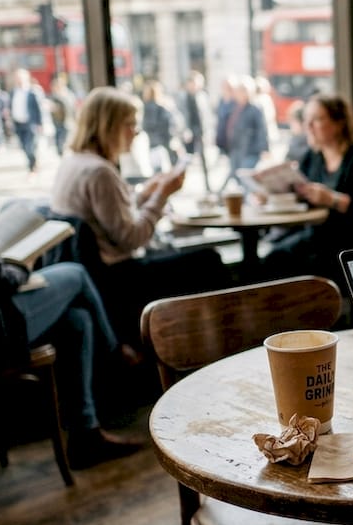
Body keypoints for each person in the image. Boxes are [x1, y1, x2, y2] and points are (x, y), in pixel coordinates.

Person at [0, 93, 141, 468]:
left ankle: (85, 434)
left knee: (78, 321)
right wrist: (19, 265)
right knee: (75, 274)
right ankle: (116, 353)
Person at [50, 87, 229, 343]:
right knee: (208, 261)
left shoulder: (74, 163)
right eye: (130, 124)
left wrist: (146, 194)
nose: (136, 131)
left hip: (98, 274)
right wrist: (162, 196)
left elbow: (109, 218)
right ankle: (208, 344)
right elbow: (132, 237)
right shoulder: (100, 172)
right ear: (108, 126)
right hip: (120, 277)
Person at [262, 93, 353, 286]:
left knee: (280, 261)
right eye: (306, 120)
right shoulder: (313, 157)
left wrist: (332, 199)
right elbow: (298, 192)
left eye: (317, 119)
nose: (308, 126)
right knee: (275, 256)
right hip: (321, 236)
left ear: (339, 123)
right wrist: (270, 194)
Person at [216, 76, 269, 192]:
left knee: (245, 177)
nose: (237, 94)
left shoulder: (255, 108)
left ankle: (245, 201)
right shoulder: (235, 106)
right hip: (235, 149)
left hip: (249, 150)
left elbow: (262, 129)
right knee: (236, 176)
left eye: (240, 91)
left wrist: (264, 149)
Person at [177, 70, 211, 191]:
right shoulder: (182, 97)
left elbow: (207, 116)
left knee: (204, 160)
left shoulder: (202, 96)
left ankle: (208, 185)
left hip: (200, 132)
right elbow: (180, 115)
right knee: (186, 159)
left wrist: (207, 133)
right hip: (188, 132)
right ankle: (182, 185)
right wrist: (184, 130)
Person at [9, 68, 44, 174]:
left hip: (30, 124)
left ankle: (32, 167)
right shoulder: (13, 92)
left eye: (20, 77)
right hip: (18, 124)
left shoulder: (32, 92)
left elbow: (38, 109)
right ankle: (33, 162)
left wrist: (40, 124)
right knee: (24, 147)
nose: (18, 80)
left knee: (29, 146)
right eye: (17, 78)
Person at [141, 80, 177, 171]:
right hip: (161, 146)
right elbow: (169, 128)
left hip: (148, 146)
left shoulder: (143, 108)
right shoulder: (162, 108)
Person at [48, 75, 76, 157]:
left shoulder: (68, 95)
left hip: (67, 121)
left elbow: (70, 108)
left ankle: (63, 153)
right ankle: (61, 153)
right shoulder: (54, 96)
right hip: (57, 121)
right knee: (58, 139)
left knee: (63, 139)